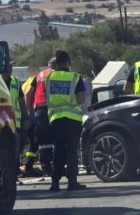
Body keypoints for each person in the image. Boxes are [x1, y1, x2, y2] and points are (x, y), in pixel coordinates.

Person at [45, 50, 86, 191]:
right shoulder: (75, 77)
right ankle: (72, 182)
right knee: (72, 151)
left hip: (55, 119)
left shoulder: (49, 78)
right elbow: (81, 99)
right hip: (72, 119)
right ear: (69, 62)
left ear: (56, 62)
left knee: (58, 150)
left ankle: (55, 183)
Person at [25, 58, 57, 176]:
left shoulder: (39, 75)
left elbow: (28, 94)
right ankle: (57, 166)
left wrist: (31, 112)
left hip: (40, 111)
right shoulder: (58, 75)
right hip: (55, 110)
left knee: (43, 141)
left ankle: (46, 167)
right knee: (57, 139)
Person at [1, 62, 30, 178]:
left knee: (17, 147)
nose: (9, 70)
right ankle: (11, 171)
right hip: (1, 122)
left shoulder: (16, 82)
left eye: (11, 68)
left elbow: (22, 101)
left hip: (15, 122)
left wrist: (26, 117)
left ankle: (15, 170)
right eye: (7, 68)